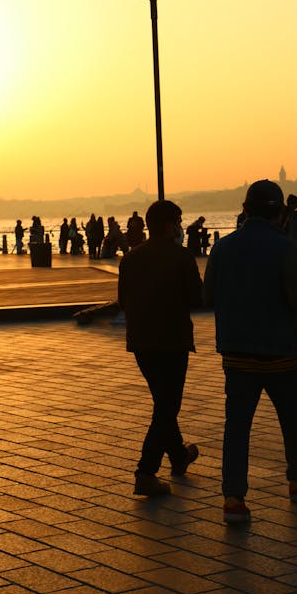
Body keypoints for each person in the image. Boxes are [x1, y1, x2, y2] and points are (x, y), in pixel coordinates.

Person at [204, 179, 297, 523]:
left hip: (237, 352)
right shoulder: (285, 247)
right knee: (292, 420)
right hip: (282, 352)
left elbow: (206, 296)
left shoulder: (223, 248)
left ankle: (233, 499)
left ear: (245, 209)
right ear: (281, 214)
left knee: (237, 426)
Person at [118, 200, 203, 497]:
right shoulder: (181, 257)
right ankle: (146, 472)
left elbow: (123, 301)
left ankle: (179, 456)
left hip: (141, 342)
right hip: (173, 340)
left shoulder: (130, 259)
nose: (181, 227)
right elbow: (197, 298)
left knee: (163, 402)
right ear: (169, 226)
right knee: (167, 406)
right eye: (179, 222)